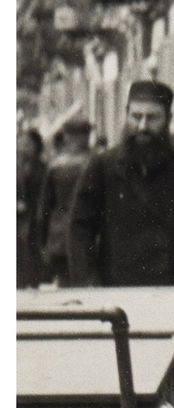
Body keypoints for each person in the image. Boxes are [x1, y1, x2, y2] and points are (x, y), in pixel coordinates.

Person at [68, 79, 174, 287]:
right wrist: (87, 281)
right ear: (127, 115)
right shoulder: (102, 166)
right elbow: (80, 228)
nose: (143, 126)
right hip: (116, 292)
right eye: (136, 116)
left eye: (152, 118)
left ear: (168, 119)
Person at [36, 117, 94, 284]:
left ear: (67, 136)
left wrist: (43, 241)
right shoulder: (96, 162)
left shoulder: (56, 166)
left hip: (60, 234)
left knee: (64, 282)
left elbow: (44, 208)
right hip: (89, 234)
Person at [17, 127, 47, 286]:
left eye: (28, 144)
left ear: (37, 146)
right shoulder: (15, 167)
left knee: (33, 254)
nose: (24, 148)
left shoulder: (43, 169)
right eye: (22, 143)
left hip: (36, 218)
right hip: (18, 220)